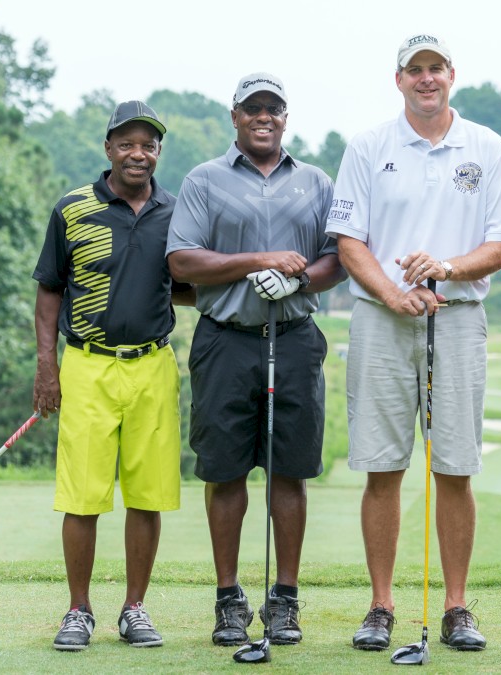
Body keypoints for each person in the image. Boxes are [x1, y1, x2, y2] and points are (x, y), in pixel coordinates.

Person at [326, 34, 501, 652]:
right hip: (382, 321)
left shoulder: (486, 147)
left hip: (458, 318)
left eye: (436, 68)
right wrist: (392, 292)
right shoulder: (369, 146)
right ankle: (382, 606)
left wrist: (447, 269)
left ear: (452, 75)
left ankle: (457, 606)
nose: (427, 79)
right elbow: (349, 240)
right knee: (383, 465)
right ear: (400, 79)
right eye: (416, 70)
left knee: (456, 466)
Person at [166, 72, 344, 648]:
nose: (263, 117)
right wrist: (257, 261)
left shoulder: (315, 181)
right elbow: (183, 262)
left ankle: (285, 599)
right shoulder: (205, 180)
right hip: (225, 338)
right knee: (223, 470)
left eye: (273, 108)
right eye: (252, 109)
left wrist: (294, 284)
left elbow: (336, 260)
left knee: (290, 469)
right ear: (235, 116)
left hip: (292, 337)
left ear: (286, 117)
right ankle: (228, 599)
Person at [32, 101, 195, 651]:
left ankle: (134, 609)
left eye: (148, 145)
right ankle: (78, 610)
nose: (138, 153)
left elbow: (188, 284)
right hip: (87, 365)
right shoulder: (72, 208)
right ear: (107, 148)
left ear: (157, 152)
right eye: (126, 143)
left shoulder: (177, 211)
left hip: (153, 364)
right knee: (82, 495)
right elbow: (50, 289)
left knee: (146, 496)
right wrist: (46, 368)